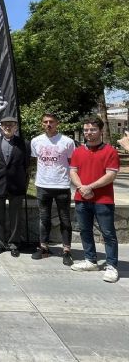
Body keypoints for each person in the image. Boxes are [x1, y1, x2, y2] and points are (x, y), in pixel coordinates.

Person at [69, 116, 121, 282]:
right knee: (85, 230)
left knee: (108, 234)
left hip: (103, 200)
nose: (88, 133)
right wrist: (82, 188)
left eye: (92, 130)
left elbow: (111, 175)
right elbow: (73, 172)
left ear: (100, 131)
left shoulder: (110, 151)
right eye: (86, 130)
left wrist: (90, 187)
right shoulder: (78, 151)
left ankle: (112, 266)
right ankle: (90, 260)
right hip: (82, 198)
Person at [30, 112, 75, 265]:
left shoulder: (67, 142)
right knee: (44, 218)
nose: (48, 124)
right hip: (43, 185)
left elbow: (72, 164)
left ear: (57, 123)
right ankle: (44, 248)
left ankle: (67, 250)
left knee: (65, 219)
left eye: (51, 122)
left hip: (62, 185)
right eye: (45, 122)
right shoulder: (36, 141)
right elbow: (35, 161)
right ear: (42, 124)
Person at [0, 116, 30, 257]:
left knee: (16, 216)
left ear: (16, 127)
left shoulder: (24, 143)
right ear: (1, 127)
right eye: (5, 125)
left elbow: (26, 165)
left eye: (11, 125)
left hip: (17, 184)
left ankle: (14, 244)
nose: (8, 127)